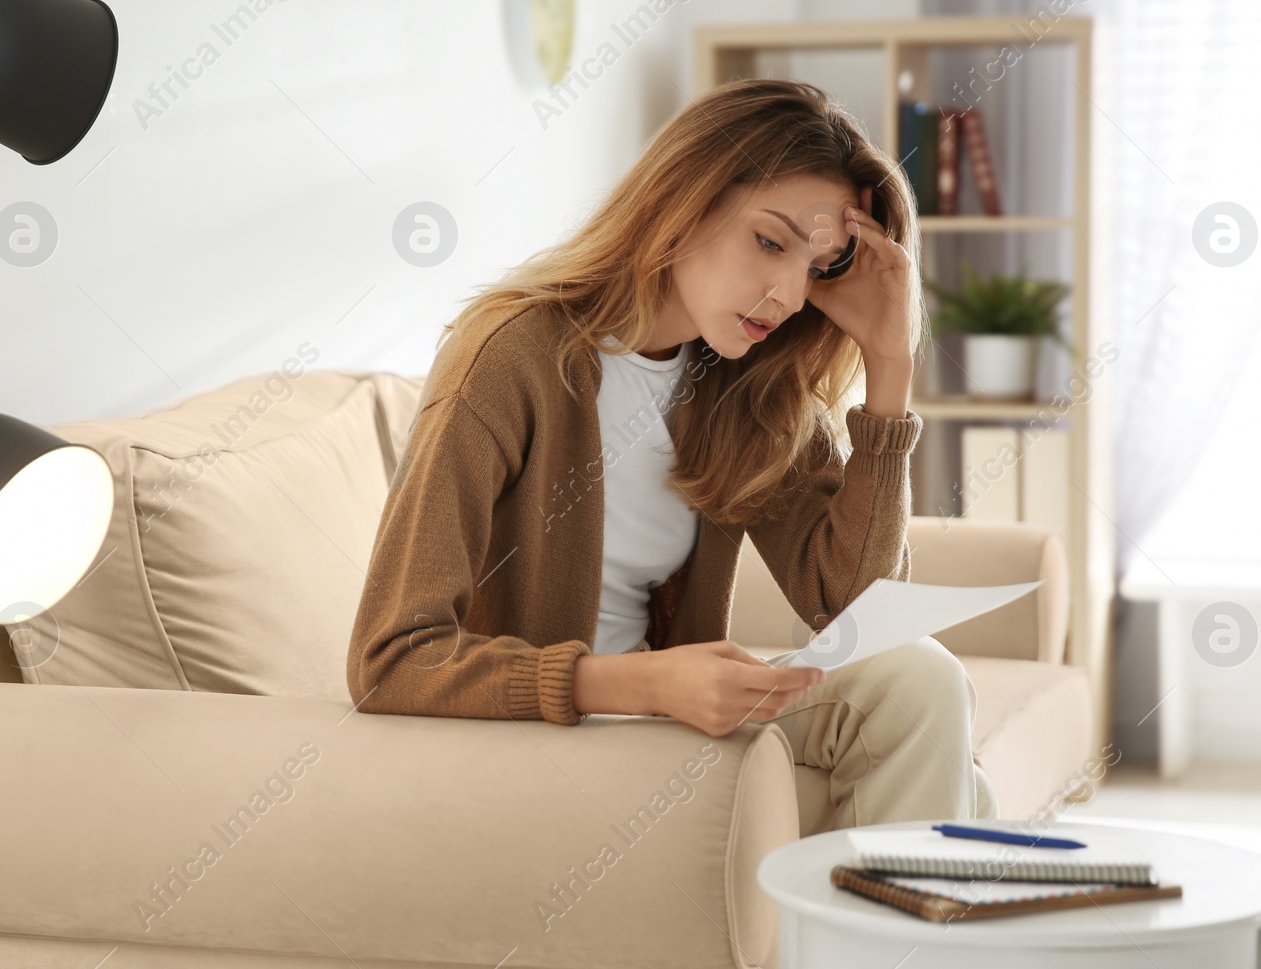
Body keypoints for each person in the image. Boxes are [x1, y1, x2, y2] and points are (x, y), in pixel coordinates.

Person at [347, 77, 997, 826]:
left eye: (815, 268)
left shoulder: (748, 387)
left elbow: (863, 617)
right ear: (685, 202)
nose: (787, 294)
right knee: (964, 792)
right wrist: (644, 684)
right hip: (551, 733)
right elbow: (390, 656)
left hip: (667, 727)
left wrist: (890, 363)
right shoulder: (511, 358)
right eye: (769, 241)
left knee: (920, 685)